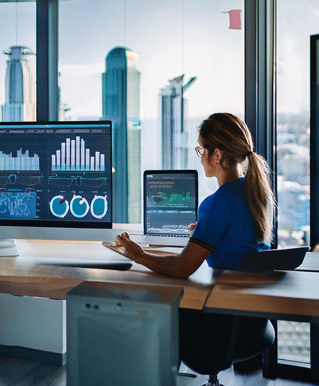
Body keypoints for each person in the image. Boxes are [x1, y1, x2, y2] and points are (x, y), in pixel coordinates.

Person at [114, 112, 276, 374]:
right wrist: (204, 233)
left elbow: (181, 268)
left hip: (220, 332)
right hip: (254, 325)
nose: (200, 155)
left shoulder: (217, 203)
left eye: (202, 149)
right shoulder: (256, 194)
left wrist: (138, 254)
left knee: (145, 307)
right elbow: (239, 244)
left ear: (217, 155)